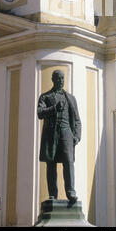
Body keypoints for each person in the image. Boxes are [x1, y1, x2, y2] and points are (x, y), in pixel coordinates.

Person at [37, 69, 81, 203]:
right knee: (51, 164)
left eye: (62, 78)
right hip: (51, 134)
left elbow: (77, 120)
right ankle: (52, 194)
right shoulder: (45, 97)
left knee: (68, 162)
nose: (60, 81)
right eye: (58, 78)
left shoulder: (70, 98)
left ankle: (70, 192)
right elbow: (40, 112)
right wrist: (54, 108)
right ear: (53, 80)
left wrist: (77, 136)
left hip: (66, 132)